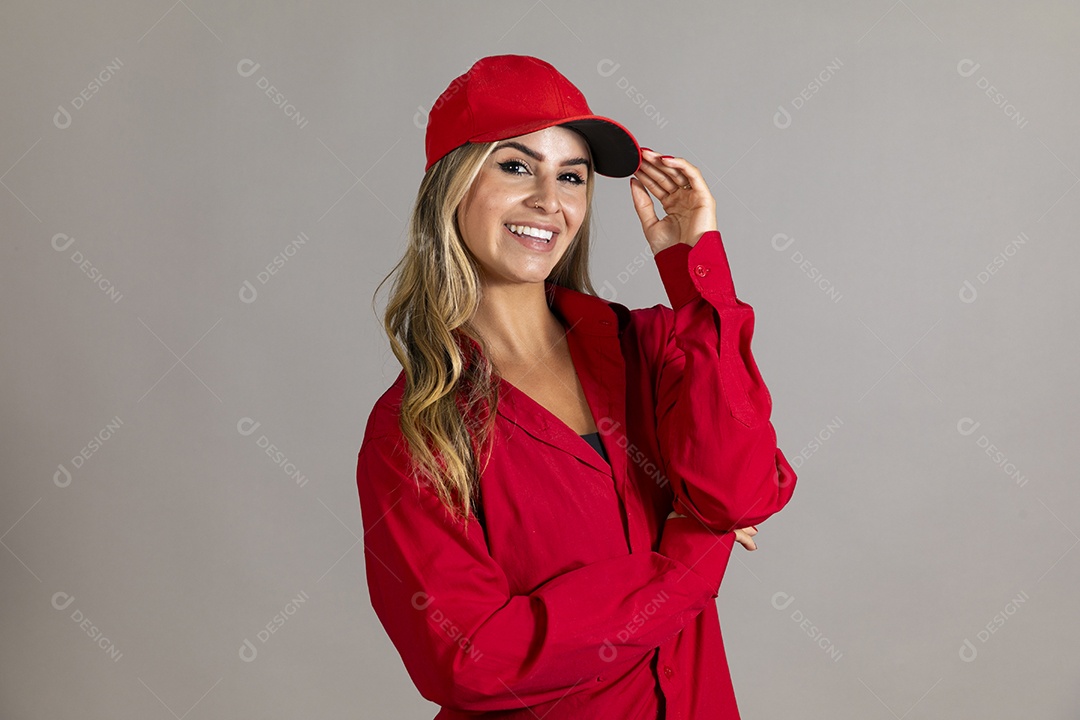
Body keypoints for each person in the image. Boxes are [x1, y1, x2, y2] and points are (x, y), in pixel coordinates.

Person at [356, 54, 797, 719]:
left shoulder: (643, 348)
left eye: (572, 176)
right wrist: (690, 551)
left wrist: (691, 269)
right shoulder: (415, 430)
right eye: (515, 166)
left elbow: (743, 485)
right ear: (451, 184)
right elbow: (475, 660)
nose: (548, 201)